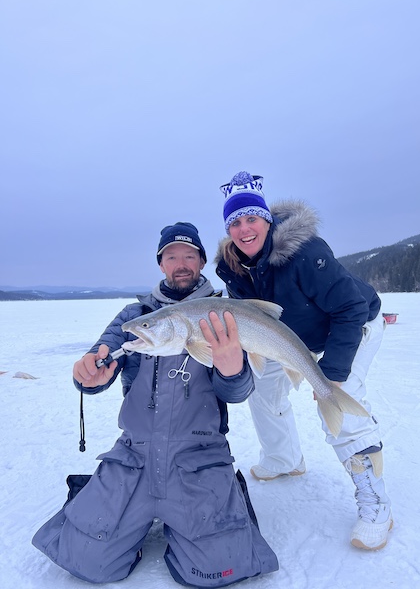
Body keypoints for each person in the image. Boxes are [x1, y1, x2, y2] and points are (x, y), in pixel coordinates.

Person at [32, 221, 278, 587]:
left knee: (219, 569)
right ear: (161, 263)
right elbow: (102, 356)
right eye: (172, 256)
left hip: (200, 457)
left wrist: (231, 370)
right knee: (85, 561)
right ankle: (111, 504)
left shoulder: (224, 315)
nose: (181, 263)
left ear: (202, 262)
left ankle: (227, 495)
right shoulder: (135, 318)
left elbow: (238, 392)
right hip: (135, 456)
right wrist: (87, 374)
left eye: (189, 256)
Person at [214, 172, 393, 551]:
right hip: (291, 338)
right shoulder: (233, 267)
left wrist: (333, 372)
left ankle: (376, 504)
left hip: (352, 325)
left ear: (267, 219)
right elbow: (257, 317)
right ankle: (284, 459)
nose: (244, 229)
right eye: (235, 222)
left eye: (251, 218)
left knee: (336, 398)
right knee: (263, 391)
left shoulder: (305, 253)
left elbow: (351, 307)